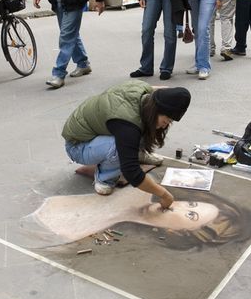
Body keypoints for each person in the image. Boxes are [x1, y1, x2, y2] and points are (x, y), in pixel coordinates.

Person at [61, 80, 191, 206]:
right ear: (157, 110)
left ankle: (134, 153)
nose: (166, 125)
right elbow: (131, 171)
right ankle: (105, 179)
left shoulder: (145, 93)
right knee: (119, 145)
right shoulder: (126, 123)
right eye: (166, 120)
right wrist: (164, 194)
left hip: (100, 132)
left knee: (139, 127)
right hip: (78, 146)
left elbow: (161, 91)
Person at [19, 187, 251, 250]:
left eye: (191, 215)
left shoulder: (77, 233)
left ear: (180, 233)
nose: (180, 206)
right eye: (190, 204)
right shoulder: (137, 188)